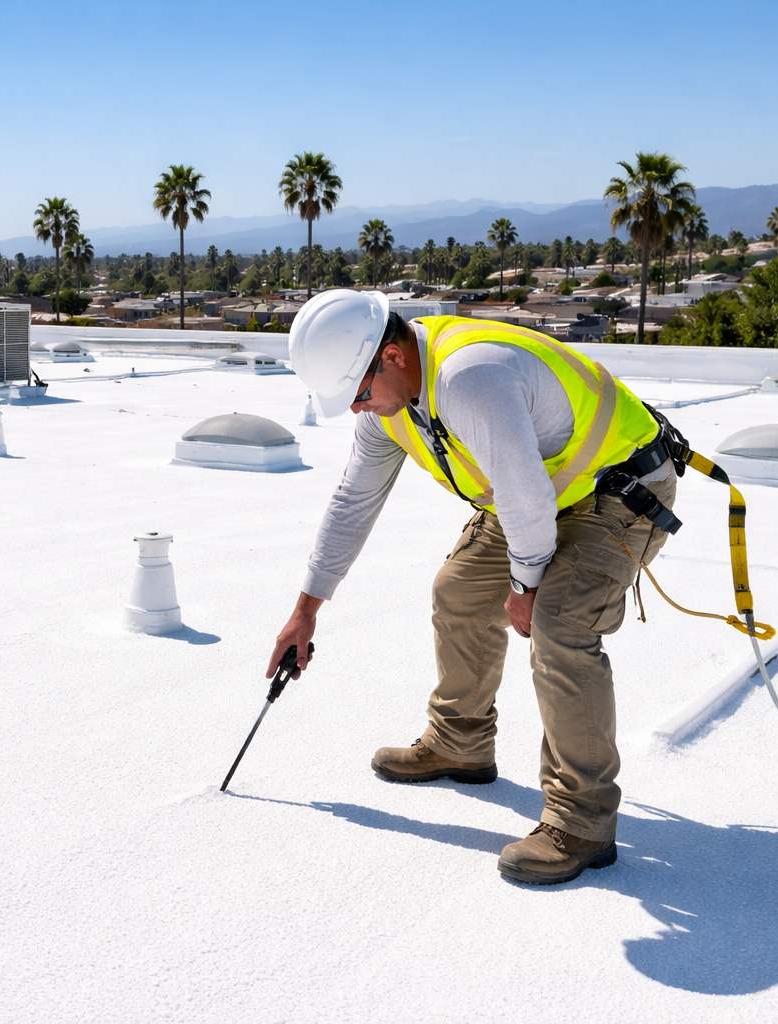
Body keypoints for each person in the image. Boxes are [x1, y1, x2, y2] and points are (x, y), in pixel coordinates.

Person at [272, 289, 683, 885]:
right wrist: (305, 610)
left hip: (617, 490)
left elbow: (524, 497)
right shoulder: (386, 408)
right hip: (540, 491)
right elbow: (353, 502)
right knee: (459, 591)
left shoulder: (470, 377)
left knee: (560, 626)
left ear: (391, 357)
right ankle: (459, 742)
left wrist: (526, 585)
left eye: (358, 394)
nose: (358, 409)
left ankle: (582, 821)